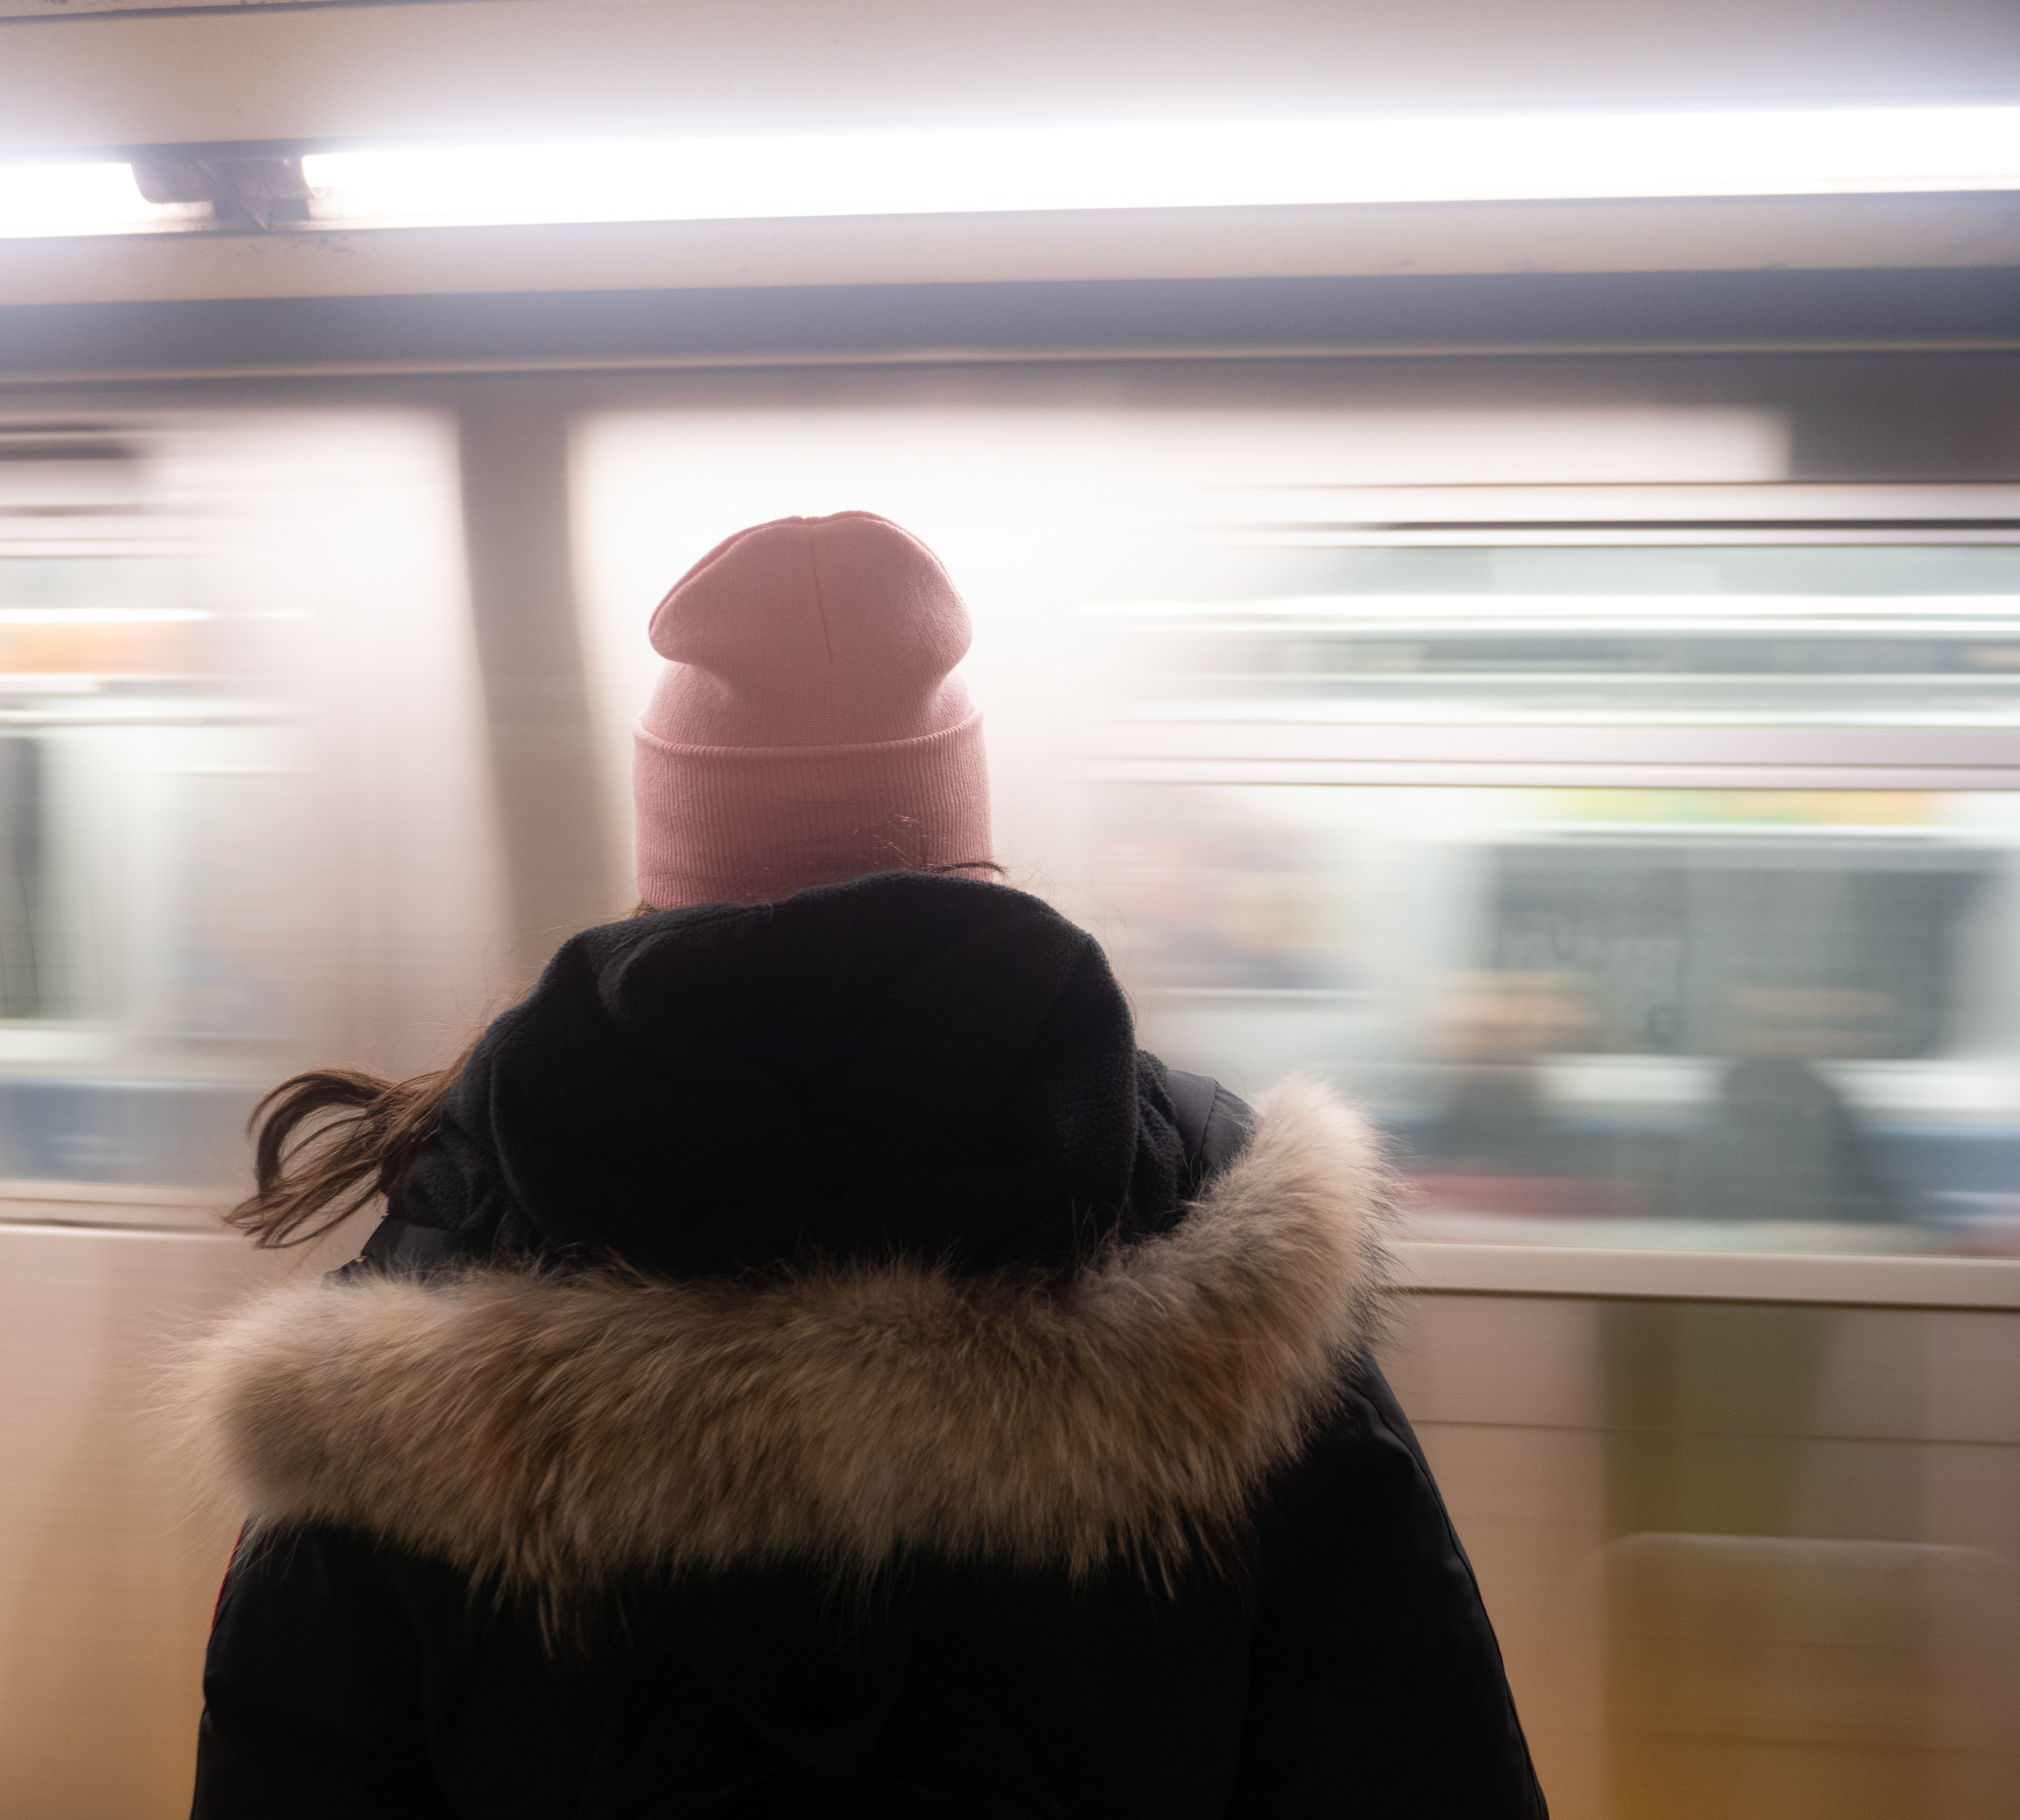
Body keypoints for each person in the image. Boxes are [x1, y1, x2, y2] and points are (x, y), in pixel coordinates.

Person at [176, 512, 1546, 1818]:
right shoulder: (1220, 1248)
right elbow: (1415, 1760)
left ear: (669, 868)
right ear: (969, 841)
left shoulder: (430, 1284)